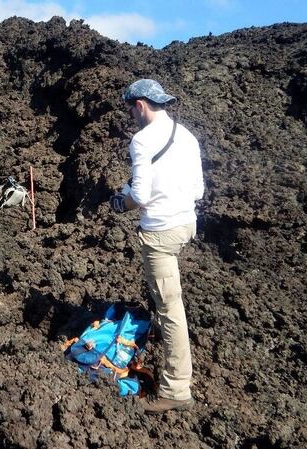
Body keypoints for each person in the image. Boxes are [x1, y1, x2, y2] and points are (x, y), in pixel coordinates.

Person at [110, 79, 204, 414]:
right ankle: (161, 338)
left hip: (160, 233)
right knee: (165, 294)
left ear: (140, 105)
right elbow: (197, 190)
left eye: (130, 109)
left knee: (169, 305)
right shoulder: (187, 135)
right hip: (186, 225)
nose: (131, 116)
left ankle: (176, 389)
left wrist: (123, 203)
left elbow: (142, 195)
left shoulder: (142, 140)